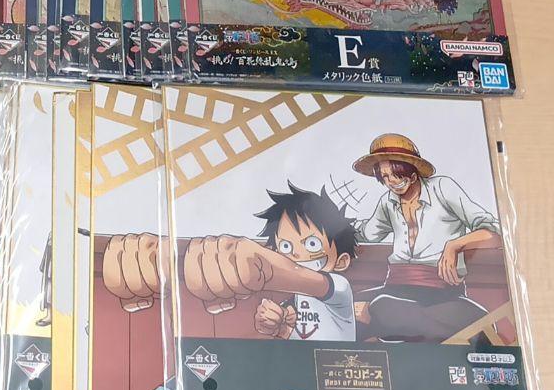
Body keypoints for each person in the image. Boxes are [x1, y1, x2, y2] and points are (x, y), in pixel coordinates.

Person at [101, 182, 358, 341]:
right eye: (286, 247)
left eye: (312, 245)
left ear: (342, 260)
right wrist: (279, 328)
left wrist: (261, 265)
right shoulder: (293, 301)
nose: (297, 256)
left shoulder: (340, 289)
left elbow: (312, 282)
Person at [352, 133, 502, 342]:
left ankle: (398, 329)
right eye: (384, 177)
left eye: (396, 174)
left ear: (412, 173)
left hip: (441, 293)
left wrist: (455, 245)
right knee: (353, 305)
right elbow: (366, 233)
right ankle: (406, 330)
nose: (391, 182)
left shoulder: (442, 188)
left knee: (382, 308)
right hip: (395, 288)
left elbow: (494, 232)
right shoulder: (388, 202)